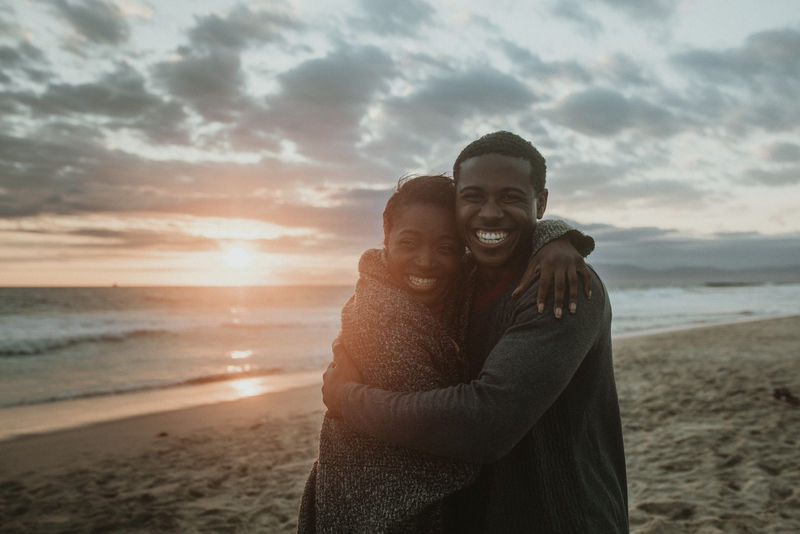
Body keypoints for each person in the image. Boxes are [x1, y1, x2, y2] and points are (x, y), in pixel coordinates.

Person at [322, 131, 628, 533]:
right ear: (457, 203)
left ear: (542, 202)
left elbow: (486, 424)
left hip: (563, 514)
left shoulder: (562, 287)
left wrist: (347, 398)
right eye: (473, 196)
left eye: (511, 197)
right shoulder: (459, 281)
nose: (489, 212)